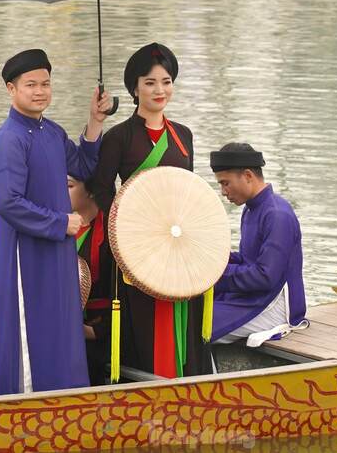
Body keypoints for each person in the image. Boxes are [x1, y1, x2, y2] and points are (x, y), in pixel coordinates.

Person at [0, 48, 112, 395]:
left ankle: (66, 400)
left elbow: (84, 166)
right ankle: (27, 406)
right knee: (32, 328)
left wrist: (95, 121)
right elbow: (7, 202)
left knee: (63, 325)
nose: (40, 91)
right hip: (26, 254)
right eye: (31, 85)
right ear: (11, 89)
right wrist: (60, 223)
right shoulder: (8, 140)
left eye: (45, 84)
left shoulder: (52, 132)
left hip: (58, 247)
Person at [92, 42, 211, 378]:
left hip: (178, 245)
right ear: (135, 88)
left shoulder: (183, 135)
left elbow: (190, 191)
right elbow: (101, 189)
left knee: (184, 314)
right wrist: (126, 228)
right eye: (150, 82)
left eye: (166, 82)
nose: (160, 90)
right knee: (143, 324)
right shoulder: (119, 137)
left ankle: (187, 380)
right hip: (137, 250)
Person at [209, 143, 307, 345]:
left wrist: (215, 275)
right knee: (191, 308)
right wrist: (214, 258)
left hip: (276, 305)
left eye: (225, 183)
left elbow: (265, 276)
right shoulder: (251, 209)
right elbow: (249, 259)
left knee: (195, 327)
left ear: (247, 175)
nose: (223, 191)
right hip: (255, 295)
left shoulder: (277, 214)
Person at [68, 175, 112, 386]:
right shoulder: (60, 225)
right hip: (65, 327)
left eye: (69, 185)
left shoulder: (112, 232)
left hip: (98, 332)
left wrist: (94, 332)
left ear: (91, 191)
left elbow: (126, 295)